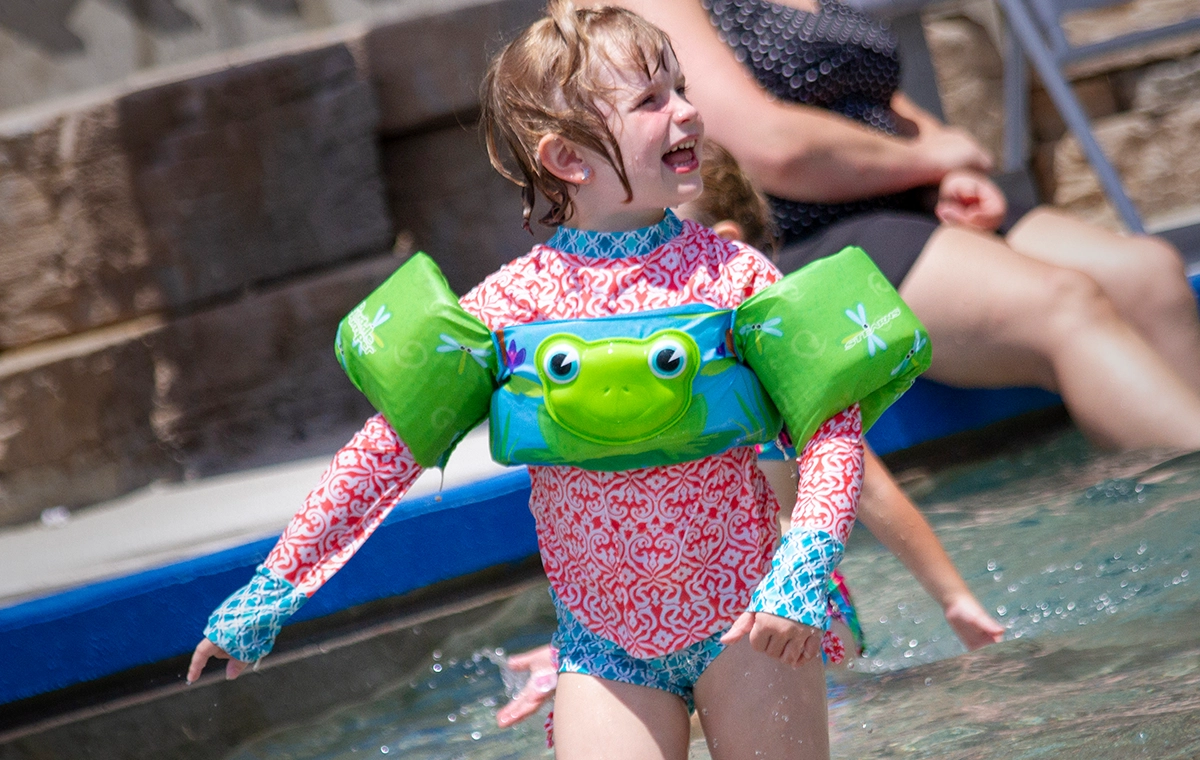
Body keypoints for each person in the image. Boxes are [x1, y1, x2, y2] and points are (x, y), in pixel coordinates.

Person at [189, 4, 885, 758]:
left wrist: (804, 567)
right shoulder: (506, 310)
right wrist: (273, 587)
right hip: (604, 651)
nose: (686, 112)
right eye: (651, 101)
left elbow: (830, 432)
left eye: (681, 89)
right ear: (567, 159)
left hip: (747, 619)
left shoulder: (733, 277)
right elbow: (384, 453)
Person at [494, 142, 1004, 731]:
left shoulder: (763, 382)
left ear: (724, 247)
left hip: (792, 605)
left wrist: (954, 599)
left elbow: (866, 487)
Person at [579, 0, 1200, 453]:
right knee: (1065, 304)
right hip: (803, 235)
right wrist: (929, 160)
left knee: (1147, 272)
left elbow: (875, 94)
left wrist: (947, 164)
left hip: (905, 198)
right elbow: (772, 148)